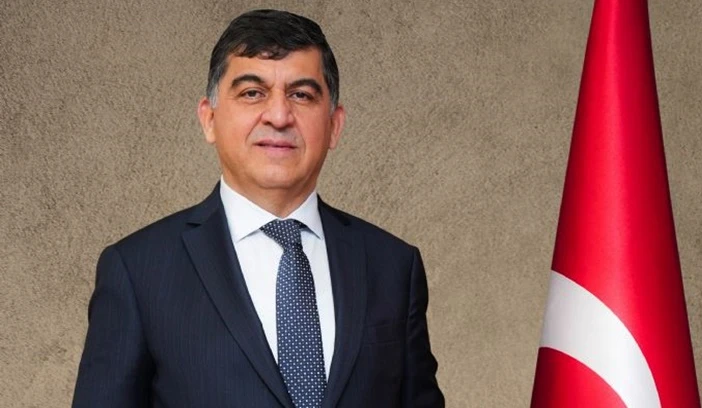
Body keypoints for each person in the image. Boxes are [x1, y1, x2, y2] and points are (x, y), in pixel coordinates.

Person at [72, 9, 444, 408]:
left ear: (334, 125)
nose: (279, 116)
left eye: (301, 95)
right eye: (252, 93)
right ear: (209, 119)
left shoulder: (393, 266)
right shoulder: (138, 271)